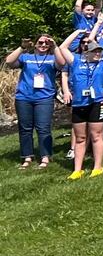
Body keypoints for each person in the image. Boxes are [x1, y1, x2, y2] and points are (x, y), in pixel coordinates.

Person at [59, 19, 103, 179]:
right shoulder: (76, 62)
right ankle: (77, 169)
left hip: (97, 103)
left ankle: (97, 167)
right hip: (79, 104)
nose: (98, 53)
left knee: (97, 135)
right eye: (95, 51)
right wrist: (78, 32)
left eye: (99, 51)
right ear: (86, 51)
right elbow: (62, 47)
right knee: (81, 137)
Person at [7, 33, 61, 170]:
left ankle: (45, 156)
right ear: (35, 44)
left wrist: (55, 47)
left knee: (43, 128)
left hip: (44, 98)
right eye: (40, 43)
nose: (43, 45)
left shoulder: (53, 57)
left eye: (46, 43)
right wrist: (21, 47)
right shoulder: (26, 57)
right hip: (24, 97)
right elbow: (9, 62)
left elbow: (62, 64)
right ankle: (27, 157)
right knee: (25, 129)